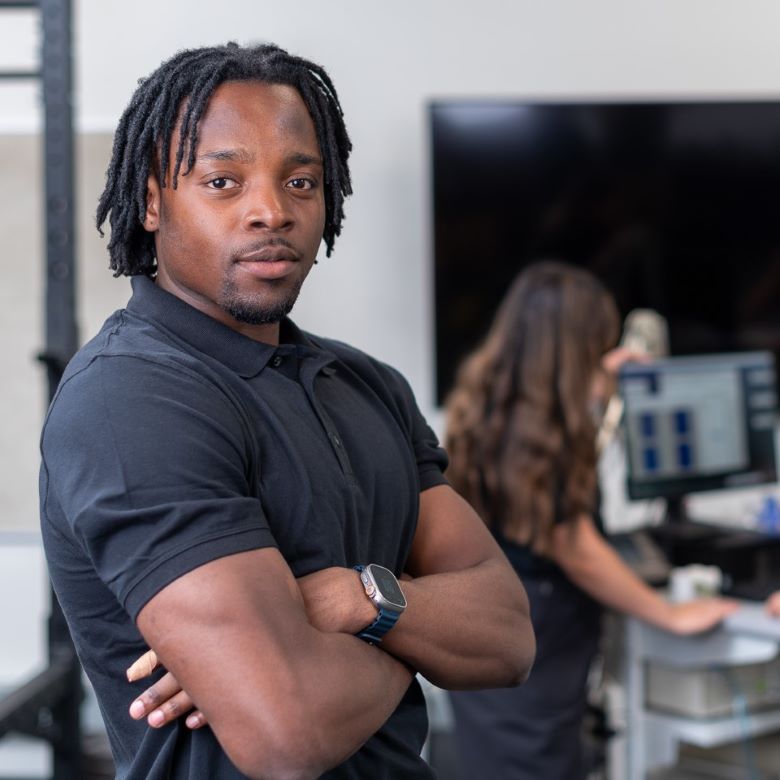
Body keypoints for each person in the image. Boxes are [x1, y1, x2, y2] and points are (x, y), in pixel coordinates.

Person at [38, 43, 535, 780]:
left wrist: (355, 599)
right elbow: (285, 730)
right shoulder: (129, 400)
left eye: (300, 180)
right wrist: (413, 625)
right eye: (222, 181)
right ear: (150, 202)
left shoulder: (367, 384)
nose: (272, 209)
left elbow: (509, 636)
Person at [444, 261, 738, 780]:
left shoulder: (496, 402)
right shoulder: (533, 434)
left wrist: (601, 388)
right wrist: (667, 614)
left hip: (494, 623)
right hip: (533, 633)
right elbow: (572, 543)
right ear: (572, 349)